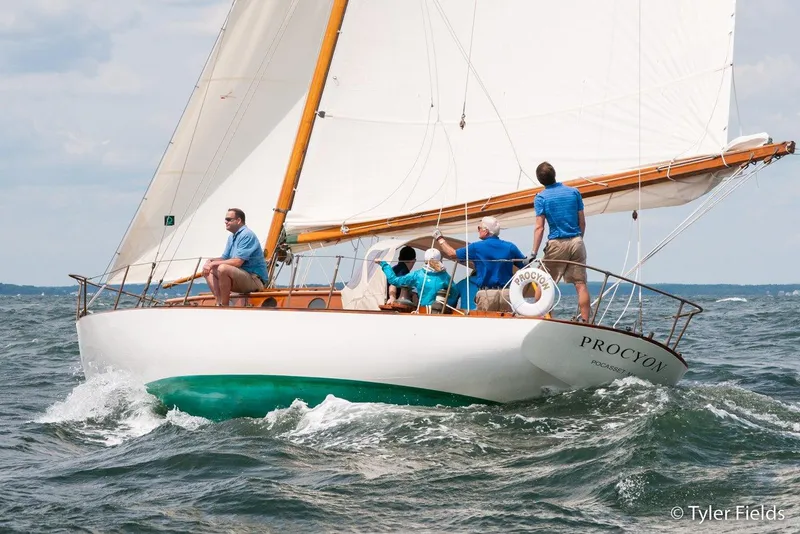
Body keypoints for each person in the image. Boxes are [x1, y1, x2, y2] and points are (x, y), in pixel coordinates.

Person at [531, 161, 590, 322]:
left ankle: (541, 318)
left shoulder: (541, 197)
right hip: (577, 240)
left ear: (540, 180)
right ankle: (586, 321)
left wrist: (533, 252)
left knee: (543, 281)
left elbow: (539, 228)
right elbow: (582, 222)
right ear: (554, 174)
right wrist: (578, 239)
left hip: (557, 242)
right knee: (580, 284)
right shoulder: (574, 192)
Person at [434, 215, 525, 312]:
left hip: (486, 295)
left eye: (479, 228)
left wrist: (439, 238)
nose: (478, 230)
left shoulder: (476, 247)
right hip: (507, 294)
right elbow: (525, 266)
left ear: (486, 231)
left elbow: (452, 254)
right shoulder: (510, 247)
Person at [203, 208, 269, 306]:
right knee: (207, 269)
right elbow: (224, 258)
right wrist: (210, 261)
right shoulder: (232, 237)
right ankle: (219, 302)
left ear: (238, 220)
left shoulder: (247, 235)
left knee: (223, 268)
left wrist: (213, 263)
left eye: (229, 219)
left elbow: (238, 262)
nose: (225, 222)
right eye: (225, 219)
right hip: (241, 277)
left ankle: (225, 306)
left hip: (255, 280)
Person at [377, 248, 451, 307]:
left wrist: (384, 264)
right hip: (436, 309)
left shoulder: (416, 274)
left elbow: (394, 281)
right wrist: (392, 297)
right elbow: (393, 285)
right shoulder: (445, 277)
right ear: (414, 261)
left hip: (421, 308)